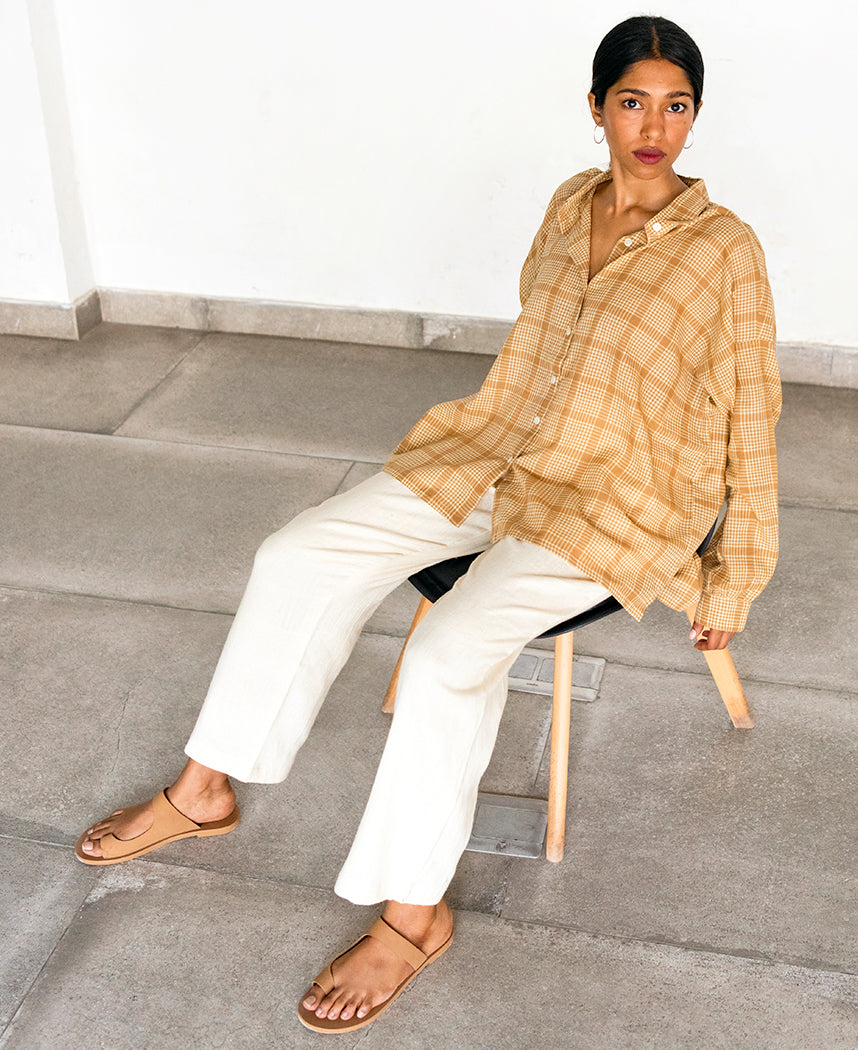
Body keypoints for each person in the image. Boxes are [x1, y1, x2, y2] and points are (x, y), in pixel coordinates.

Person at [75, 14, 780, 1035]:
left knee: (450, 652)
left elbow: (752, 410)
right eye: (633, 101)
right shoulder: (568, 202)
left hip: (617, 498)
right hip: (498, 454)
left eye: (676, 106)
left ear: (695, 116)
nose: (654, 127)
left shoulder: (725, 250)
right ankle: (203, 790)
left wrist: (735, 574)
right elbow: (544, 346)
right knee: (297, 555)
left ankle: (414, 915)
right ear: (596, 108)